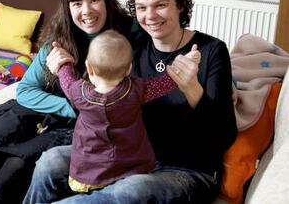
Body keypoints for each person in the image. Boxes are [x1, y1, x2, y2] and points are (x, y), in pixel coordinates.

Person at [23, 0, 238, 204]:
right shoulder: (133, 46)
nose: (151, 16)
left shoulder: (211, 50)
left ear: (180, 5)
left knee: (131, 190)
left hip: (189, 169)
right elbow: (101, 105)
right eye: (142, 8)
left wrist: (194, 90)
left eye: (161, 5)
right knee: (51, 161)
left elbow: (224, 136)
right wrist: (63, 67)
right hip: (130, 156)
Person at [0, 0, 133, 204]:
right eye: (77, 3)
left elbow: (104, 106)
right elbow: (25, 90)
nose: (87, 11)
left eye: (94, 0)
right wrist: (65, 105)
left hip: (78, 127)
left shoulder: (121, 43)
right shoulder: (58, 41)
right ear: (68, 9)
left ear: (107, 2)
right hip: (43, 114)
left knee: (15, 166)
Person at [55, 29, 200, 194]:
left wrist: (64, 64)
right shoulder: (137, 90)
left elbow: (66, 80)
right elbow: (167, 82)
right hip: (131, 170)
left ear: (89, 68)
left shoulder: (78, 93)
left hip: (88, 173)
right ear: (128, 69)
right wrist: (188, 61)